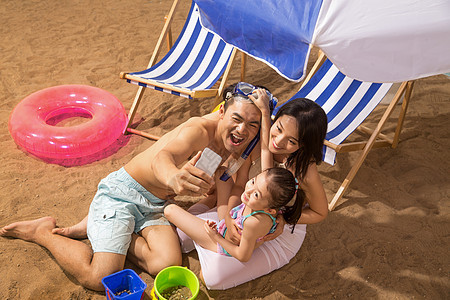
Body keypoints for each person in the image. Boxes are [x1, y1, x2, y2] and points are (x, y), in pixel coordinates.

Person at [0, 91, 263, 291]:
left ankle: (100, 226)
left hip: (156, 204)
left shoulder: (234, 146)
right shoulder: (198, 130)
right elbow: (164, 156)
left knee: (167, 265)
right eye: (237, 118)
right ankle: (42, 232)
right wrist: (173, 176)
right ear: (221, 113)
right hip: (123, 193)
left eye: (253, 124)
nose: (243, 129)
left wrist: (221, 206)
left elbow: (224, 183)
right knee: (100, 276)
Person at [176, 83, 329, 289]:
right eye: (279, 129)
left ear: (303, 145)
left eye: (292, 141)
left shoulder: (304, 170)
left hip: (274, 233)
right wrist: (228, 218)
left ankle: (218, 243)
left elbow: (320, 213)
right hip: (244, 211)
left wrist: (282, 218)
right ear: (273, 120)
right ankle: (219, 236)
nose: (279, 142)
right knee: (181, 237)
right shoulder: (259, 142)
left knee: (211, 278)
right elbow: (239, 185)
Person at [164, 167, 304, 262]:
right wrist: (228, 219)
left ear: (270, 210)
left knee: (170, 210)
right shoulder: (270, 206)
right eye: (253, 181)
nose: (248, 190)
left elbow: (243, 256)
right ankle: (212, 198)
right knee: (221, 173)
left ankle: (211, 199)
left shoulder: (252, 222)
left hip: (221, 243)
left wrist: (216, 237)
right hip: (225, 225)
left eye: (256, 194)